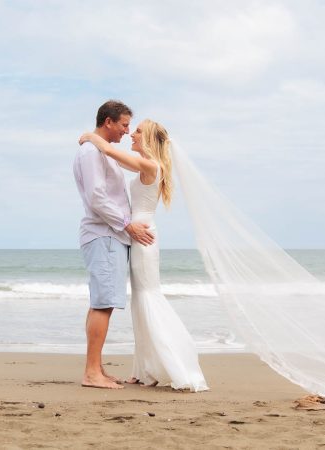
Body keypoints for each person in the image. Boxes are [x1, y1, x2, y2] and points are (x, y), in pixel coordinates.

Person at [79, 119, 209, 392]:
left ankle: (174, 364)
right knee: (140, 300)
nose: (131, 134)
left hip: (142, 235)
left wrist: (89, 136)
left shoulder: (151, 166)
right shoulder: (145, 164)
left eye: (137, 131)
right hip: (136, 234)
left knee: (148, 296)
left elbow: (110, 151)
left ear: (148, 138)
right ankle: (144, 369)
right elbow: (113, 159)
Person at [73, 100, 155, 389]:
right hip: (105, 234)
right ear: (108, 121)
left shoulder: (103, 152)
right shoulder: (90, 152)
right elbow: (97, 198)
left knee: (101, 302)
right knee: (103, 303)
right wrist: (127, 224)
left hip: (110, 235)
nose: (127, 131)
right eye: (124, 125)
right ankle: (91, 373)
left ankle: (96, 368)